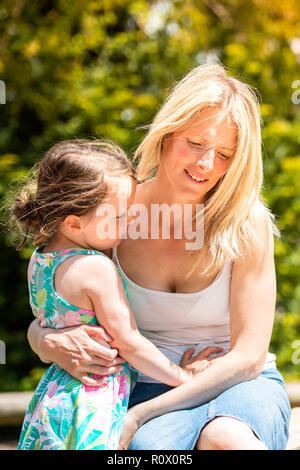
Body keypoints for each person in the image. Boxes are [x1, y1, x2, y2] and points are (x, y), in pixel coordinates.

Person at [27, 64, 292, 450]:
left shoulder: (246, 222)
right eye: (197, 143)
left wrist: (138, 417)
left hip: (238, 386)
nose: (206, 164)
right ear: (167, 133)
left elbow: (249, 357)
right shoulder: (116, 213)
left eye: (223, 154)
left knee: (226, 438)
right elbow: (55, 292)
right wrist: (44, 339)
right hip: (145, 386)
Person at [11, 139, 216, 450]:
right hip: (92, 401)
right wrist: (183, 377)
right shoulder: (96, 268)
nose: (129, 220)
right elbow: (128, 341)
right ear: (74, 223)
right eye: (118, 216)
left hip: (53, 397)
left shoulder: (39, 261)